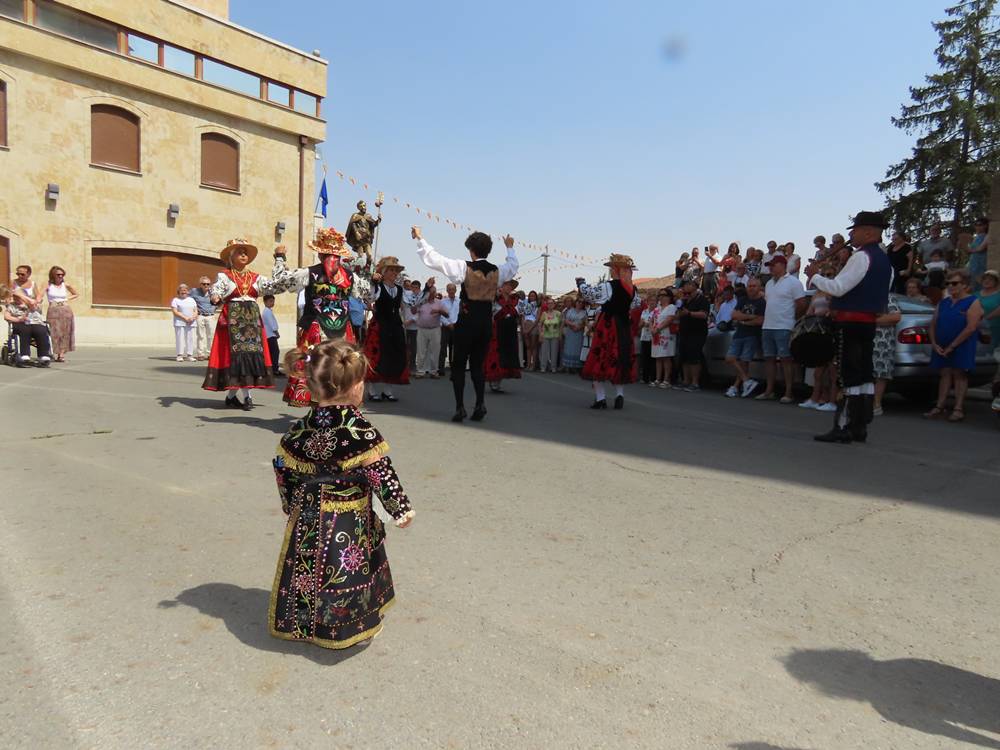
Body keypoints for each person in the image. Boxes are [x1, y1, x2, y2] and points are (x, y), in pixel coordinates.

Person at [271, 339, 414, 650]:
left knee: (310, 569)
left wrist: (289, 502)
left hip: (308, 514)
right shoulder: (359, 431)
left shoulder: (298, 430)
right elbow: (380, 472)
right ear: (355, 388)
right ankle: (349, 628)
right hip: (348, 517)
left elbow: (283, 466)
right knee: (348, 570)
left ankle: (308, 623)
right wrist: (399, 508)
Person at [413, 226, 518, 422]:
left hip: (467, 323)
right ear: (488, 250)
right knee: (478, 366)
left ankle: (460, 407)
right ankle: (480, 403)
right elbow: (512, 266)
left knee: (459, 365)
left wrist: (420, 239)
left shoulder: (465, 267)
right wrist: (510, 247)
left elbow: (436, 260)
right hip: (485, 324)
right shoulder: (497, 271)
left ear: (471, 250)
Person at [809, 211, 893, 443]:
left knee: (849, 375)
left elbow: (838, 288)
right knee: (864, 374)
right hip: (867, 322)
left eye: (855, 231)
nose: (852, 235)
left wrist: (815, 276)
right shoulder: (884, 260)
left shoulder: (861, 257)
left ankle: (844, 426)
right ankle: (860, 426)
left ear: (868, 232)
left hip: (851, 323)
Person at [203, 238, 298, 410]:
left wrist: (279, 258)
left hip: (252, 322)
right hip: (233, 322)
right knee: (238, 359)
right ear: (231, 257)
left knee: (249, 358)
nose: (243, 255)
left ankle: (233, 397)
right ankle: (247, 398)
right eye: (239, 252)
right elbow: (216, 289)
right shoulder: (224, 276)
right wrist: (215, 296)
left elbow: (276, 285)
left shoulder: (256, 278)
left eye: (245, 252)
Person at [281, 228, 364, 408]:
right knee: (331, 365)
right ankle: (330, 410)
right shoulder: (349, 276)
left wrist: (279, 259)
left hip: (325, 327)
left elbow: (282, 282)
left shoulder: (311, 273)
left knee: (323, 365)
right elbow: (368, 294)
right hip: (329, 327)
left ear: (319, 254)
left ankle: (323, 411)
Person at [577, 254, 641, 409]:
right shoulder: (632, 289)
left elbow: (590, 295)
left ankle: (601, 399)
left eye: (613, 268)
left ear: (617, 270)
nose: (611, 271)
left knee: (600, 358)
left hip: (609, 325)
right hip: (623, 325)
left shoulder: (609, 286)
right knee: (620, 358)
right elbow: (635, 305)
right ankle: (619, 396)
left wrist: (581, 284)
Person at [924, 268, 984, 422]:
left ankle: (958, 408)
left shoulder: (972, 302)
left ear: (964, 285)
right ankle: (940, 406)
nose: (951, 286)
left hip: (961, 344)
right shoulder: (944, 302)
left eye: (955, 283)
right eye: (948, 283)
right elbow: (933, 323)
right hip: (942, 344)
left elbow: (971, 327)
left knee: (959, 374)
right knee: (944, 373)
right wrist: (935, 343)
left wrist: (952, 346)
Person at [756, 254, 806, 403]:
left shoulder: (793, 282)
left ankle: (788, 392)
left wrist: (792, 319)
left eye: (773, 265)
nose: (770, 268)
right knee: (769, 359)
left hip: (784, 326)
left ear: (783, 266)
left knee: (786, 360)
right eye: (769, 265)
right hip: (768, 326)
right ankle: (769, 390)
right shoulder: (769, 284)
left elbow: (802, 304)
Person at [364, 256, 411, 403]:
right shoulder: (378, 287)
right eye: (391, 270)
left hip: (395, 326)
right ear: (383, 272)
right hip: (380, 325)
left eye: (396, 270)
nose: (394, 273)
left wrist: (427, 290)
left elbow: (409, 305)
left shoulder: (399, 289)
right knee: (375, 357)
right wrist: (373, 283)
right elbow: (369, 299)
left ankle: (387, 390)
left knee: (394, 356)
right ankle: (371, 390)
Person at [797, 285, 837, 412]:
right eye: (824, 274)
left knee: (833, 371)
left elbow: (834, 310)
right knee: (818, 372)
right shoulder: (815, 294)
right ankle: (814, 399)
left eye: (829, 274)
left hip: (831, 329)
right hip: (818, 332)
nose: (826, 276)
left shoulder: (834, 292)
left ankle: (832, 401)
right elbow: (809, 312)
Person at [724, 277, 765, 398]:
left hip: (752, 335)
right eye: (749, 286)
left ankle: (736, 386)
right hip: (739, 334)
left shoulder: (762, 303)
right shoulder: (742, 299)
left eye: (754, 286)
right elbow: (734, 314)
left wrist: (743, 319)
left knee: (744, 362)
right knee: (729, 358)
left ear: (759, 287)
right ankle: (747, 381)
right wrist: (751, 317)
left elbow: (760, 321)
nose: (751, 288)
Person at [484, 279, 523, 392]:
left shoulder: (515, 300)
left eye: (510, 285)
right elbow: (491, 313)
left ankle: (499, 380)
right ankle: (494, 380)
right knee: (496, 354)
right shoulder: (495, 299)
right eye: (506, 285)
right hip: (498, 329)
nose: (509, 287)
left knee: (507, 354)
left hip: (510, 330)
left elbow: (519, 313)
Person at [2, 283, 52, 366]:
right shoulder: (12, 306)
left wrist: (24, 298)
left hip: (35, 323)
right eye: (15, 297)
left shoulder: (30, 304)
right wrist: (18, 319)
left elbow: (33, 304)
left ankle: (43, 356)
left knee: (41, 330)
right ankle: (25, 355)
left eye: (19, 297)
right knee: (25, 329)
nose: (16, 298)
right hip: (20, 324)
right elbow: (6, 316)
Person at [675, 279, 710, 392]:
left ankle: (695, 382)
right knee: (684, 357)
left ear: (694, 286)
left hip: (697, 332)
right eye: (684, 286)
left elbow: (704, 315)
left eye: (687, 285)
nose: (685, 288)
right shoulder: (684, 300)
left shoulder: (702, 299)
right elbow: (678, 314)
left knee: (694, 357)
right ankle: (686, 381)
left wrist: (689, 313)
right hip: (684, 331)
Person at [871, 296, 901, 416]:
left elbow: (896, 316)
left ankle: (876, 404)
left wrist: (871, 320)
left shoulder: (887, 298)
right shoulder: (864, 297)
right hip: (866, 341)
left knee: (880, 374)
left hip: (882, 343)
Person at [975, 269, 1000, 412]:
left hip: (994, 327)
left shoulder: (998, 295)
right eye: (985, 279)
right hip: (977, 327)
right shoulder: (977, 295)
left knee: (994, 353)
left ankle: (994, 381)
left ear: (995, 282)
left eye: (990, 279)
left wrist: (987, 317)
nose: (987, 281)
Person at [43, 266, 77, 362]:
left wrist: (66, 299)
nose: (60, 276)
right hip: (53, 309)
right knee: (54, 332)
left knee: (65, 332)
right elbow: (40, 294)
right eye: (58, 274)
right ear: (53, 275)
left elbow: (76, 294)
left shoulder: (65, 285)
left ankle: (61, 354)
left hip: (65, 309)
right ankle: (53, 352)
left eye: (62, 274)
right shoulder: (48, 285)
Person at [414, 282, 446, 378]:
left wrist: (439, 311)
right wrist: (415, 305)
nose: (432, 294)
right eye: (430, 292)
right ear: (427, 293)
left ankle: (433, 372)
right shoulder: (421, 301)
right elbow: (413, 311)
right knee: (421, 351)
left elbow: (447, 314)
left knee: (435, 351)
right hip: (422, 329)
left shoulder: (439, 302)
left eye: (434, 292)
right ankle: (420, 371)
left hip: (435, 329)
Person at [650, 288, 677, 388]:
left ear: (669, 297)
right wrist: (652, 329)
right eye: (659, 295)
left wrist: (657, 329)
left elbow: (669, 320)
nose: (660, 297)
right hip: (656, 335)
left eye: (663, 295)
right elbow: (651, 319)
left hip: (666, 335)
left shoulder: (671, 307)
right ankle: (658, 379)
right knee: (658, 357)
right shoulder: (657, 308)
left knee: (666, 357)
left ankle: (666, 379)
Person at [344, 200, 381, 270]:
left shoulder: (368, 216)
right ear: (358, 208)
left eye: (364, 205)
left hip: (367, 238)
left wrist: (378, 220)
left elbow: (373, 225)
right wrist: (356, 233)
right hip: (359, 239)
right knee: (360, 255)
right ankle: (359, 269)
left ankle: (367, 268)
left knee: (369, 255)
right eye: (361, 206)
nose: (363, 207)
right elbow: (352, 224)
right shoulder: (355, 215)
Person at [190, 275, 219, 361]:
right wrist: (195, 309)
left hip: (210, 315)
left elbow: (221, 300)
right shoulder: (194, 291)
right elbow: (187, 299)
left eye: (208, 284)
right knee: (200, 336)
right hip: (200, 315)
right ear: (200, 284)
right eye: (204, 284)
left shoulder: (212, 292)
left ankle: (210, 354)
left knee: (211, 336)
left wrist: (214, 308)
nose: (206, 285)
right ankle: (200, 354)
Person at [170, 283, 198, 362]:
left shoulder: (192, 300)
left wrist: (193, 317)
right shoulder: (175, 300)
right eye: (181, 290)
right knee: (180, 338)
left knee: (190, 339)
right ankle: (180, 355)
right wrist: (185, 318)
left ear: (188, 291)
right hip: (180, 322)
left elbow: (196, 310)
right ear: (178, 291)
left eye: (185, 290)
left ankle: (190, 355)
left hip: (191, 322)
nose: (183, 292)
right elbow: (175, 311)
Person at [560, 296, 587, 373]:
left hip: (579, 332)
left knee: (577, 348)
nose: (580, 303)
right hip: (570, 332)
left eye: (582, 302)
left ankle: (576, 367)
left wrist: (579, 327)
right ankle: (568, 366)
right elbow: (566, 320)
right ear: (576, 302)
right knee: (569, 348)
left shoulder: (584, 312)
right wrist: (573, 325)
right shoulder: (570, 310)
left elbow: (585, 322)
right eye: (579, 302)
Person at [438, 282, 460, 375]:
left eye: (453, 289)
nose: (451, 291)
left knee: (455, 349)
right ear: (447, 291)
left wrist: (456, 324)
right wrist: (447, 324)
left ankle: (454, 367)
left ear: (455, 290)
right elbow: (440, 315)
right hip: (445, 327)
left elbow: (461, 314)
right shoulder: (442, 301)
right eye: (449, 289)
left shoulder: (459, 301)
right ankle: (441, 368)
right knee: (443, 348)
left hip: (457, 327)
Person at [536, 296, 562, 373]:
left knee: (554, 352)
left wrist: (560, 333)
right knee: (544, 352)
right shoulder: (544, 314)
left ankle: (553, 367)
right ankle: (543, 367)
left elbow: (561, 324)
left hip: (555, 335)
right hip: (545, 335)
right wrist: (540, 333)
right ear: (547, 305)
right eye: (549, 303)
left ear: (554, 304)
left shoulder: (558, 313)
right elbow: (540, 324)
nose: (550, 305)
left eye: (552, 303)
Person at [261, 294, 281, 376]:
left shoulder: (267, 311)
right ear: (265, 302)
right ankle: (274, 369)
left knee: (271, 352)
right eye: (270, 301)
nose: (272, 303)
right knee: (275, 352)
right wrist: (276, 333)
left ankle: (271, 369)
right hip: (270, 335)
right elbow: (272, 325)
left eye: (273, 301)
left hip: (269, 335)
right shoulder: (267, 312)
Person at [967, 218, 990, 289]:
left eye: (980, 225)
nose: (977, 227)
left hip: (982, 262)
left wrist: (969, 249)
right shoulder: (975, 238)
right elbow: (970, 251)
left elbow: (981, 248)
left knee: (981, 281)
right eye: (976, 225)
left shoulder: (987, 235)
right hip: (973, 262)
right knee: (972, 282)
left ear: (986, 226)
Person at [638, 294, 656, 383]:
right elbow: (640, 324)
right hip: (644, 336)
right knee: (645, 357)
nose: (652, 302)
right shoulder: (644, 311)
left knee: (652, 357)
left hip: (653, 337)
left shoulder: (657, 311)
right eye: (650, 300)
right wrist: (643, 324)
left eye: (654, 300)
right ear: (647, 302)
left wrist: (649, 324)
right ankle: (645, 377)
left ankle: (653, 378)